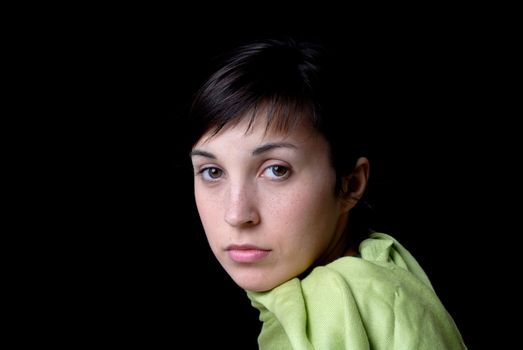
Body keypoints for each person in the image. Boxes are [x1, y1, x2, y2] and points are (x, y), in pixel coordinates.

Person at [187, 37, 467, 349]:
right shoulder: (380, 277)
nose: (237, 214)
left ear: (350, 184)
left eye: (277, 170)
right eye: (212, 172)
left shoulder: (345, 304)